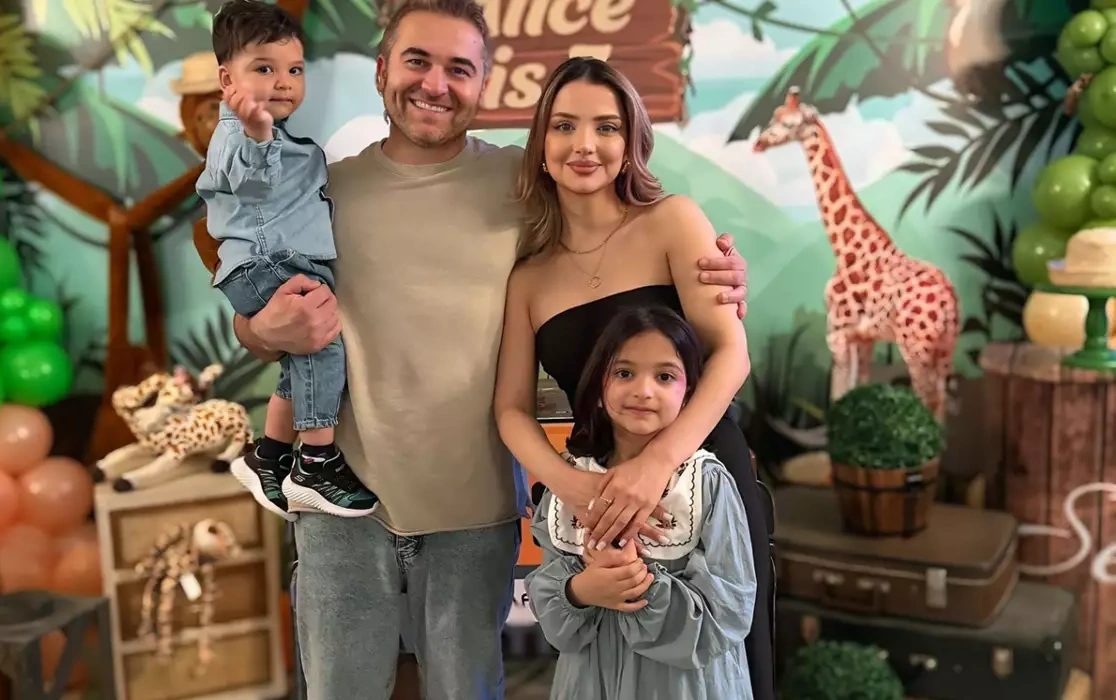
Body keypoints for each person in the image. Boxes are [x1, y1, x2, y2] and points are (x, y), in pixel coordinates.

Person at [221, 0, 751, 695]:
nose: (435, 84)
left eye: (458, 68)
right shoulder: (321, 190)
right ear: (381, 70)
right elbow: (253, 298)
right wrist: (263, 330)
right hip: (340, 505)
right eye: (417, 61)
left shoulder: (522, 185)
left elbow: (634, 249)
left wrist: (721, 272)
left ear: (483, 85)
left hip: (473, 513)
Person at [492, 57, 775, 698]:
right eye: (564, 126)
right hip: (598, 486)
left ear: (630, 144)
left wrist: (659, 463)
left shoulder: (673, 221)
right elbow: (510, 409)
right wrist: (570, 485)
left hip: (702, 468)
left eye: (606, 127)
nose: (584, 145)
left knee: (726, 657)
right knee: (605, 655)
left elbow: (731, 354)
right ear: (541, 146)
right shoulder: (529, 277)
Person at [197, 0, 377, 522]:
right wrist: (256, 135)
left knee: (300, 363)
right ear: (227, 79)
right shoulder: (237, 135)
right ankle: (316, 460)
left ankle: (270, 454)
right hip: (267, 262)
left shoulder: (279, 137)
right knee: (322, 343)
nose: (283, 82)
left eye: (294, 70)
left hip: (279, 263)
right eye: (264, 68)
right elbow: (253, 185)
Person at [526, 305, 755, 699]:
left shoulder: (704, 484)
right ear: (599, 390)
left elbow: (730, 610)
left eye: (665, 376)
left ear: (690, 395)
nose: (643, 390)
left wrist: (637, 583)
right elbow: (550, 611)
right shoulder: (571, 486)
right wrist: (580, 590)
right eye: (624, 373)